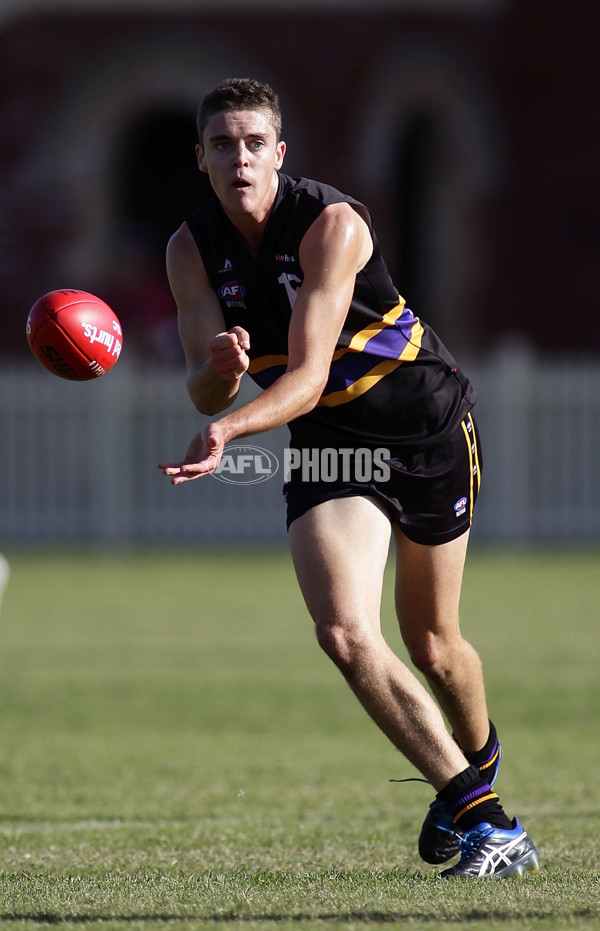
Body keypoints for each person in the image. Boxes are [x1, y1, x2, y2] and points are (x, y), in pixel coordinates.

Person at [159, 78, 538, 878]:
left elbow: (306, 372)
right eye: (222, 145)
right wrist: (220, 376)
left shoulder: (333, 225)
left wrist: (228, 424)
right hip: (333, 444)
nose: (239, 158)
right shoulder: (189, 249)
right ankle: (488, 822)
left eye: (254, 143)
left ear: (280, 153)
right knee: (343, 632)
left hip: (422, 423)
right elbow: (202, 379)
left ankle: (478, 770)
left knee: (434, 645)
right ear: (200, 158)